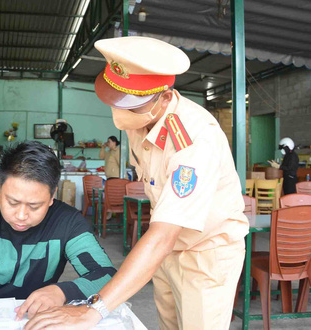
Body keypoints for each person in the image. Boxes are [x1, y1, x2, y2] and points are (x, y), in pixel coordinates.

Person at [26, 36, 249, 330]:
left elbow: (164, 233)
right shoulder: (140, 120)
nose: (120, 112)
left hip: (205, 253)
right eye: (116, 101)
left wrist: (94, 309)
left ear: (165, 98)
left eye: (131, 105)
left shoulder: (192, 142)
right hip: (167, 252)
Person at [0, 141, 116, 319]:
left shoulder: (68, 222)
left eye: (34, 206)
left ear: (52, 196)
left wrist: (63, 292)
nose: (21, 215)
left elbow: (107, 275)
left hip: (36, 318)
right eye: (12, 202)